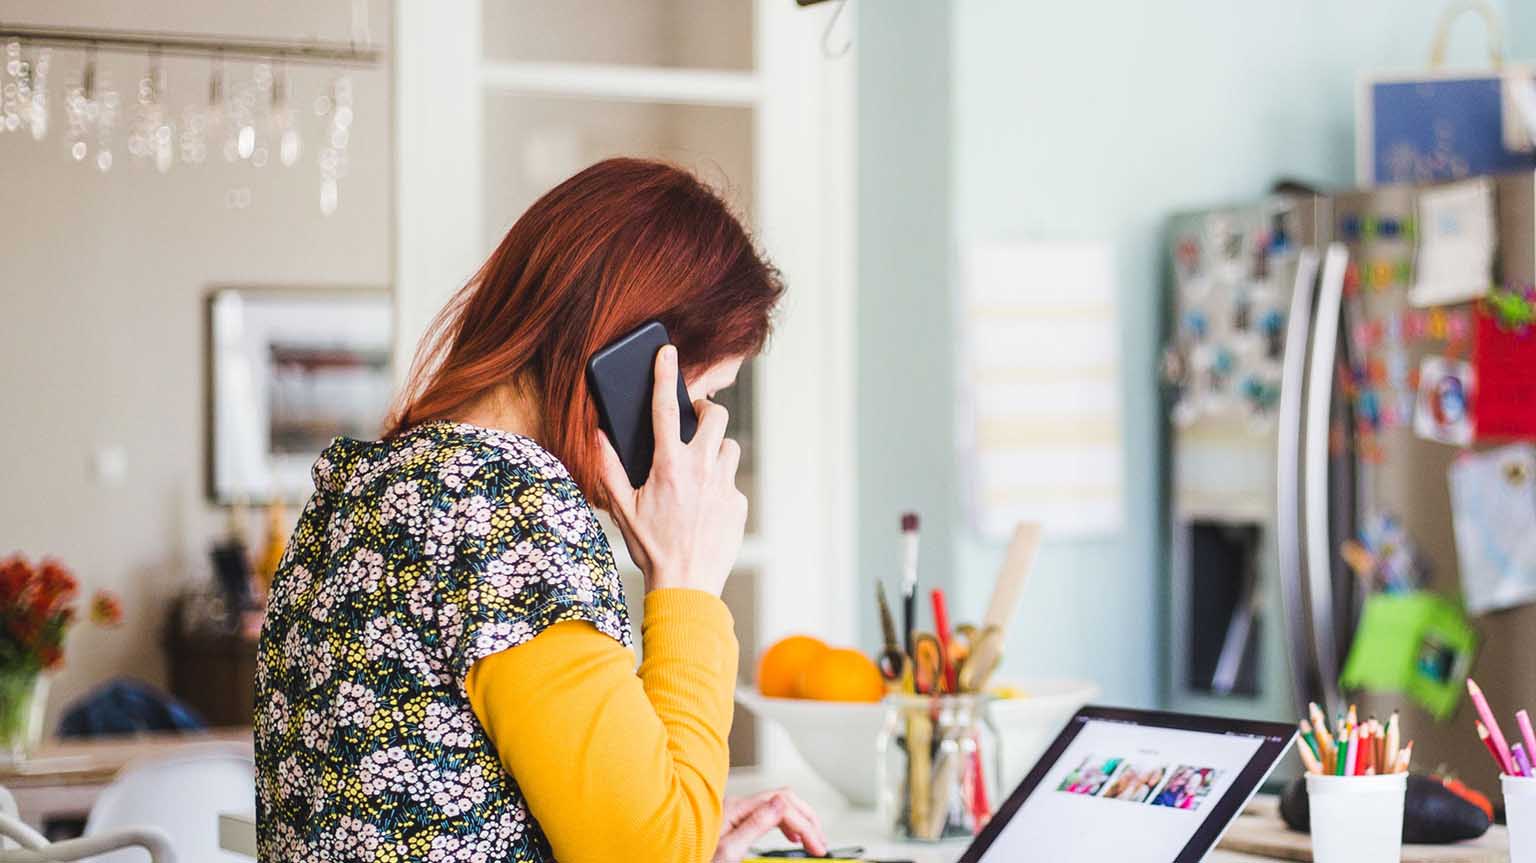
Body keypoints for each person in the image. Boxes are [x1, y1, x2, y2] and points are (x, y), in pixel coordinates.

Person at [254, 158, 828, 862]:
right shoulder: (512, 511)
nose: (694, 435)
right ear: (637, 371)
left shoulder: (366, 484)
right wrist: (688, 583)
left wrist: (679, 810)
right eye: (697, 402)